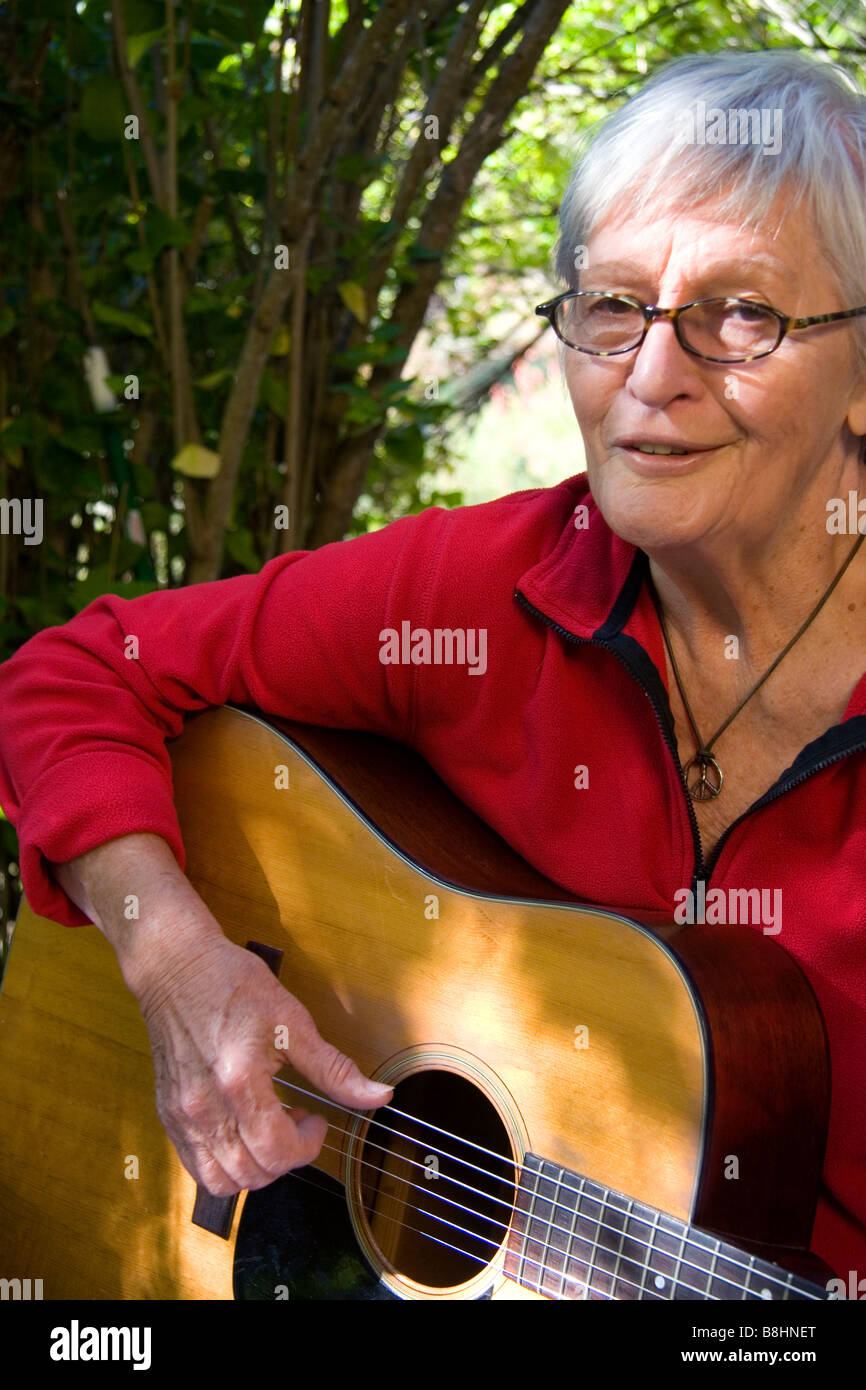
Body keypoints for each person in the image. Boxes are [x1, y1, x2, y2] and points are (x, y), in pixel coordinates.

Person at [1, 47, 865, 1289]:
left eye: (744, 315)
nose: (652, 376)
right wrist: (180, 963)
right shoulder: (495, 587)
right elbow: (79, 669)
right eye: (610, 305)